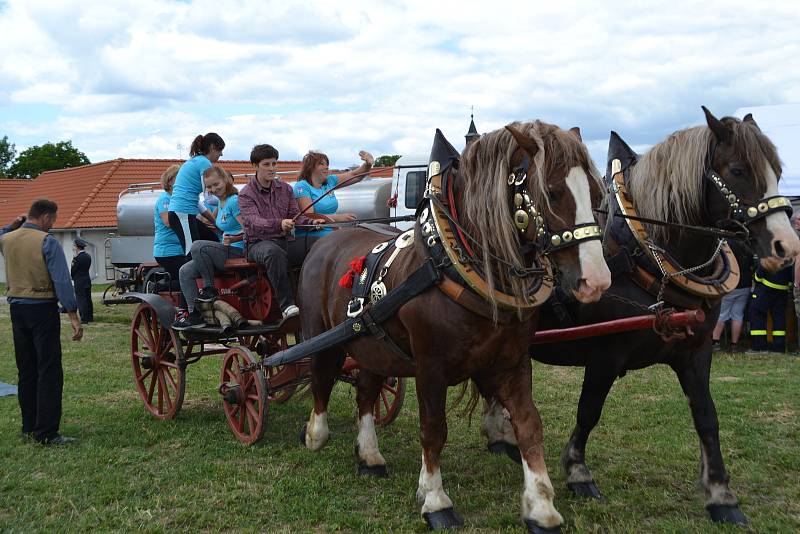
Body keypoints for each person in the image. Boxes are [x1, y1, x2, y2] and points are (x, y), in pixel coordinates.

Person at [0, 199, 83, 445]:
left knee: (26, 370)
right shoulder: (47, 242)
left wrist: (14, 223)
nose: (52, 225)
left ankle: (29, 425)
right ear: (46, 217)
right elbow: (61, 280)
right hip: (42, 309)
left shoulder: (9, 239)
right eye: (53, 220)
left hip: (17, 309)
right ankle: (46, 432)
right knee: (48, 370)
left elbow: (2, 233)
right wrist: (73, 314)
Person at [239, 144, 323, 321]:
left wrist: (311, 223)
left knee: (321, 245)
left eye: (274, 164)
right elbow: (254, 222)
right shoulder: (245, 194)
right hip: (257, 245)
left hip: (285, 241)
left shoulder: (285, 189)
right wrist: (280, 224)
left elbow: (295, 216)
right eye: (267, 164)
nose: (272, 168)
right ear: (255, 166)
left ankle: (320, 296)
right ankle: (287, 306)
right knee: (273, 252)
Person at [173, 166, 245, 329]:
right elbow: (225, 226)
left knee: (197, 246)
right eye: (209, 187)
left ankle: (209, 288)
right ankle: (195, 314)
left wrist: (234, 237)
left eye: (216, 184)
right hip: (226, 251)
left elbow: (250, 229)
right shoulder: (221, 203)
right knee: (184, 271)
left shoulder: (234, 201)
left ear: (225, 180)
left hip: (239, 252)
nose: (214, 189)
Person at [292, 149, 374, 245]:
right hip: (311, 235)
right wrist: (338, 218)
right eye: (321, 164)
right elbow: (310, 216)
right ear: (310, 167)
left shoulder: (330, 181)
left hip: (332, 229)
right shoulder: (302, 186)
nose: (326, 167)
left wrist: (368, 164)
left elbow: (355, 175)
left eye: (327, 164)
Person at [168, 132, 225, 256]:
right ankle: (189, 275)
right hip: (183, 214)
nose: (221, 154)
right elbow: (209, 198)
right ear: (212, 148)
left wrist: (215, 222)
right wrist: (228, 199)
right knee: (192, 252)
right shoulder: (204, 163)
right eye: (220, 150)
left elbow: (199, 203)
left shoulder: (194, 161)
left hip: (181, 213)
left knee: (212, 240)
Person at [711, 240, 754, 352]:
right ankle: (734, 344)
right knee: (738, 315)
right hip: (745, 284)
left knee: (722, 314)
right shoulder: (746, 245)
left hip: (729, 283)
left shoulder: (724, 244)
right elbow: (751, 265)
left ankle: (715, 342)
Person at [153, 164, 188, 288]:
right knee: (187, 278)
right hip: (167, 251)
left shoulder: (177, 198)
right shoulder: (165, 199)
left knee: (185, 277)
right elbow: (168, 222)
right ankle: (157, 287)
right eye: (179, 178)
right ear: (170, 181)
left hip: (178, 249)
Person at [747, 262, 793, 354]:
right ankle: (779, 347)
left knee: (756, 313)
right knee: (779, 318)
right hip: (783, 289)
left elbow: (760, 272)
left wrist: (756, 277)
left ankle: (759, 347)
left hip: (766, 288)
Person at [70, 237, 93, 324]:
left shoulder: (77, 258)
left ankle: (84, 318)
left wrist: (72, 277)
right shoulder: (88, 256)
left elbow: (73, 270)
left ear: (77, 247)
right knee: (88, 299)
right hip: (87, 279)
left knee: (81, 299)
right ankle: (90, 317)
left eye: (74, 246)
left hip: (79, 281)